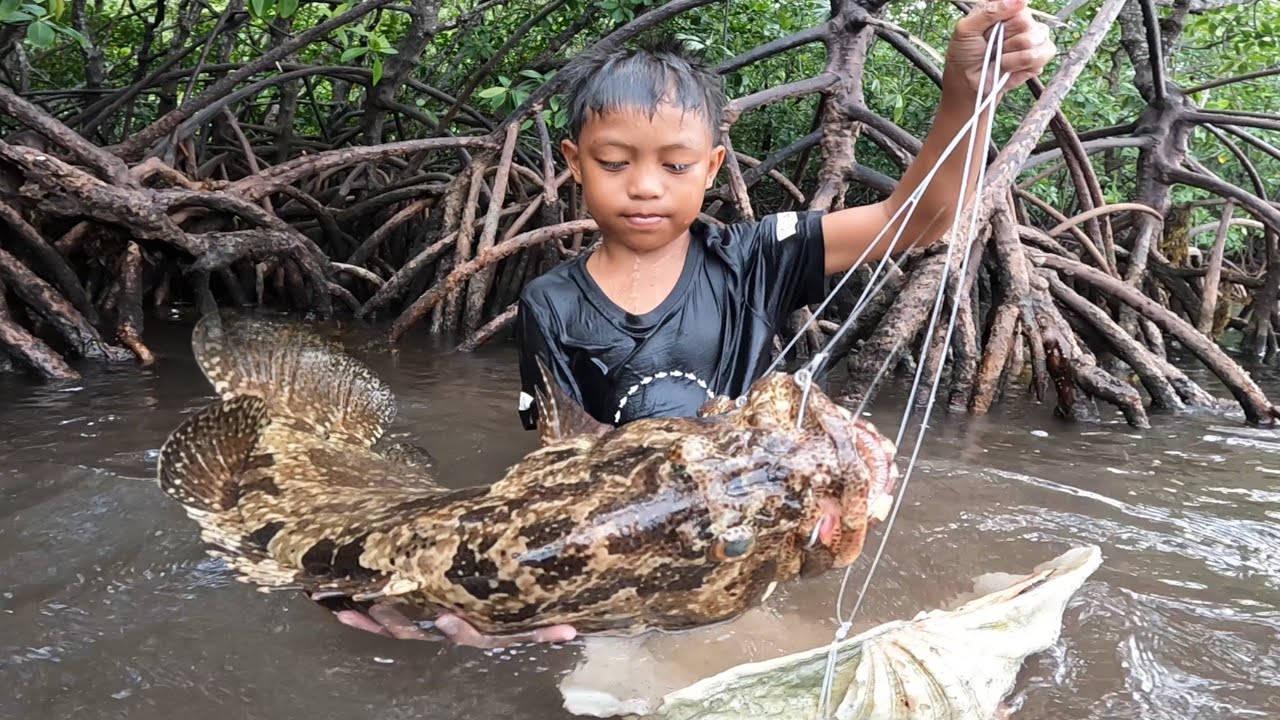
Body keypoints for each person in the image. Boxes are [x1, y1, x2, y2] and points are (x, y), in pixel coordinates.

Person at [335, 0, 1055, 647]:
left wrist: (968, 95)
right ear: (575, 164)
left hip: (742, 535)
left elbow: (920, 216)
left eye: (675, 165)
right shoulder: (549, 303)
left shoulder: (756, 256)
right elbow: (555, 460)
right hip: (632, 560)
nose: (645, 186)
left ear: (712, 167)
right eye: (615, 162)